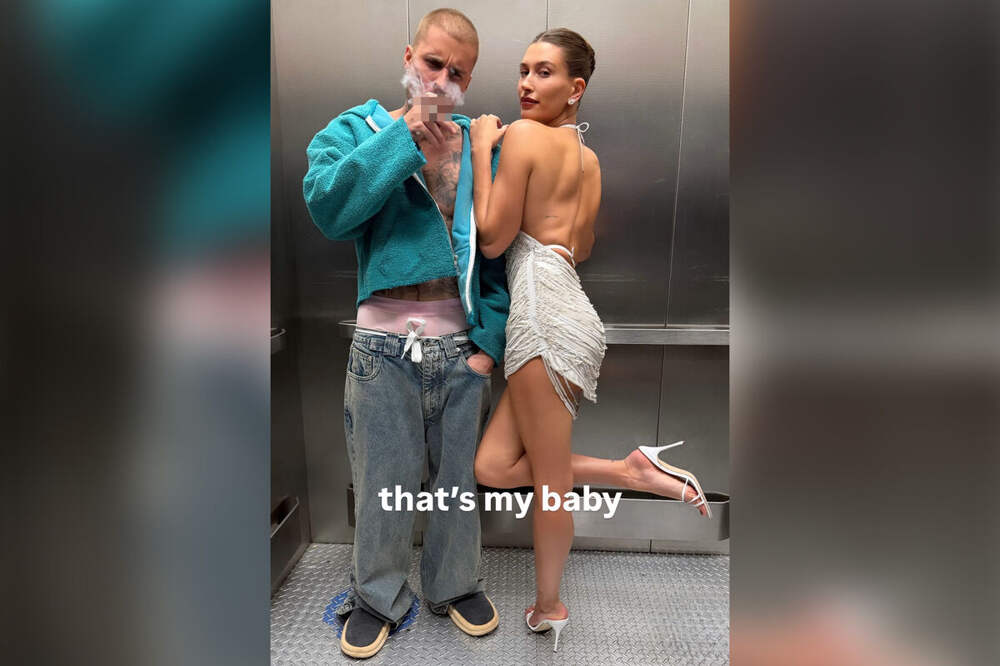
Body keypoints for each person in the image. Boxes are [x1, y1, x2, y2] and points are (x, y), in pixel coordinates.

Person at [469, 28, 712, 652]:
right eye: (524, 70)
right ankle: (632, 471)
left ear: (576, 88)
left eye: (544, 72)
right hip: (570, 307)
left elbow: (492, 239)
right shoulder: (589, 159)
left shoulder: (523, 137)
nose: (526, 84)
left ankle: (549, 604)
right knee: (493, 467)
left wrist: (478, 148)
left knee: (549, 484)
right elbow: (579, 248)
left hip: (541, 317)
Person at [303, 9, 507, 659]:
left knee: (457, 484)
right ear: (408, 57)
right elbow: (328, 208)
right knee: (381, 483)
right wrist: (404, 135)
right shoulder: (355, 130)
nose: (442, 80)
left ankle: (455, 584)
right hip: (381, 348)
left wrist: (489, 344)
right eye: (432, 63)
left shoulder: (481, 146)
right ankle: (377, 597)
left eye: (458, 73)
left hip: (461, 346)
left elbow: (503, 249)